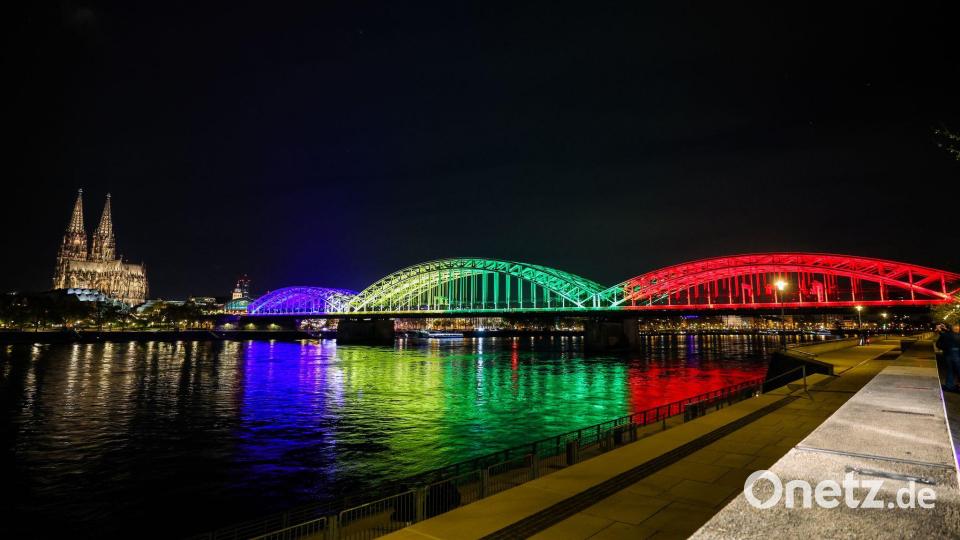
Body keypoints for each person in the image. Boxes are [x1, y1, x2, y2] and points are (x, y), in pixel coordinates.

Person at [936, 323, 960, 392]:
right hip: (957, 353)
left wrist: (940, 331)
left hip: (948, 354)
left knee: (950, 370)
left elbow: (939, 344)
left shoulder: (946, 335)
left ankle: (949, 386)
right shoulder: (956, 335)